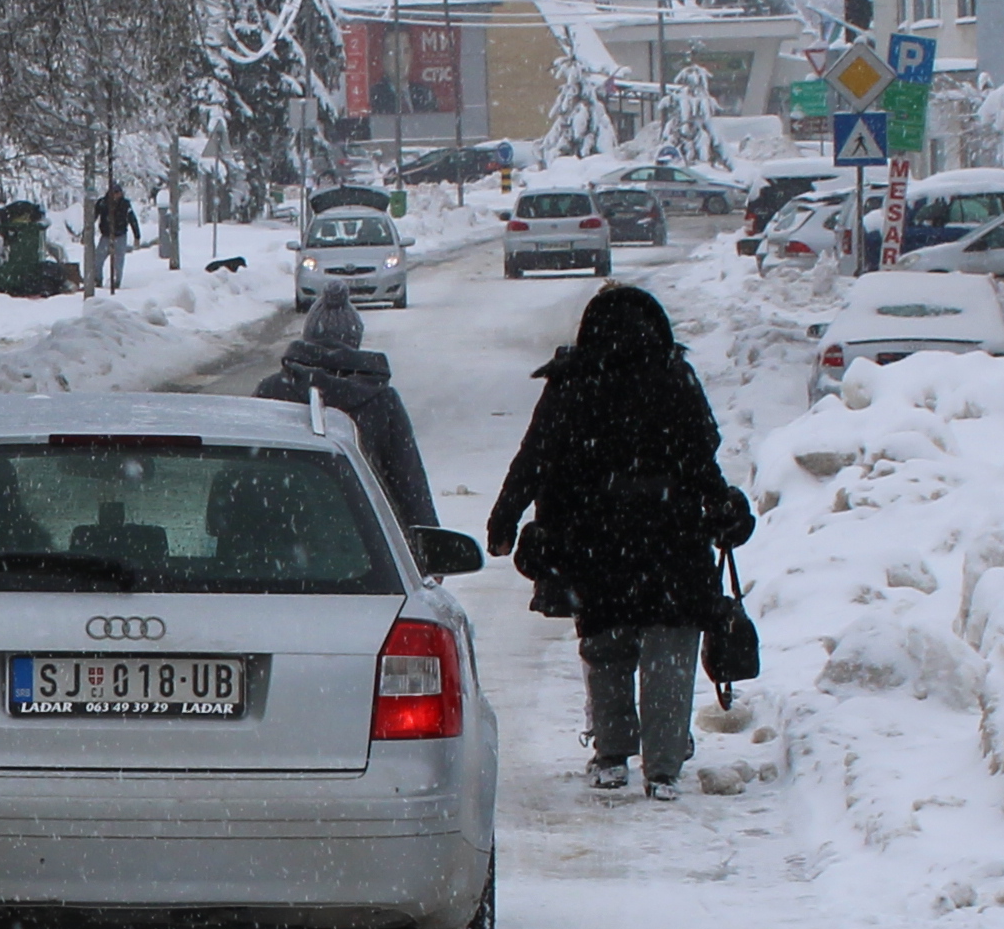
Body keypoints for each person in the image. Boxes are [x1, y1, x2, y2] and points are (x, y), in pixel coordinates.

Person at [486, 283, 753, 798]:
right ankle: (665, 766)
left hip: (596, 542)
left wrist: (506, 517)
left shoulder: (573, 381)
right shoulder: (674, 378)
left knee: (606, 644)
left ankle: (612, 754)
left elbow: (535, 456)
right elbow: (702, 455)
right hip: (672, 540)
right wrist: (720, 505)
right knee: (669, 650)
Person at [258, 284, 440, 539]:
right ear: (355, 339)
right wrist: (428, 540)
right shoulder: (381, 401)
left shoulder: (272, 391)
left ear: (308, 335)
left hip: (280, 534)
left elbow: (247, 470)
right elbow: (408, 482)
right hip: (363, 540)